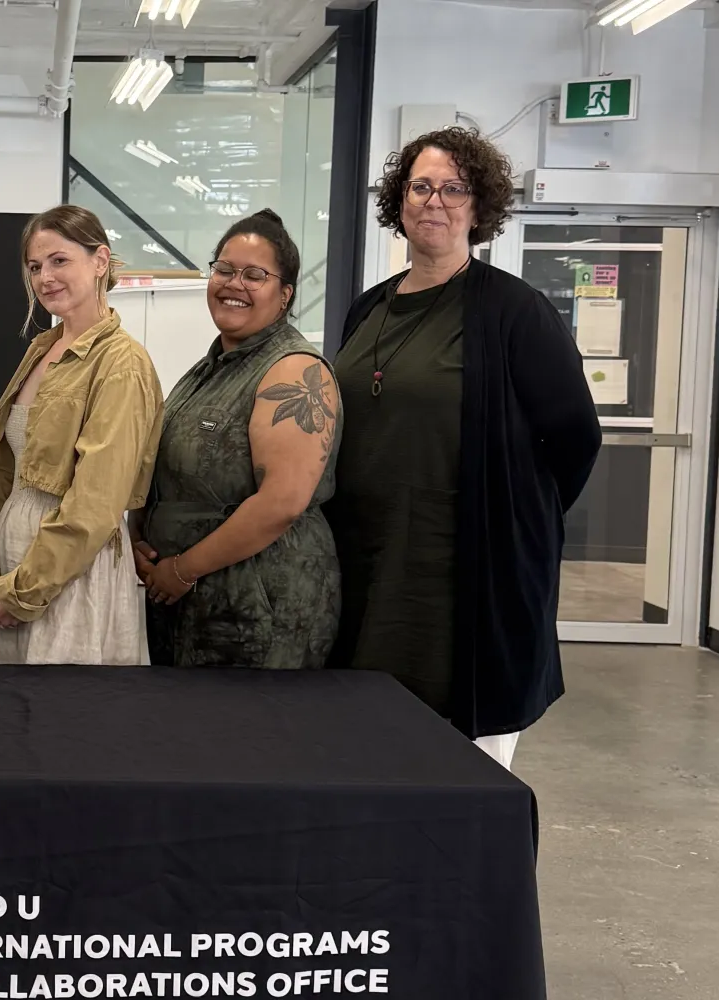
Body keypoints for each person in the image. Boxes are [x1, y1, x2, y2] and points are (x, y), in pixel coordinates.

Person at [326, 127, 602, 768]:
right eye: (421, 186)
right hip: (369, 561)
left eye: (455, 189)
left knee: (463, 762)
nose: (435, 201)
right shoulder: (368, 307)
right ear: (400, 199)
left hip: (463, 572)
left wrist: (516, 517)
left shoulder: (514, 311)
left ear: (479, 208)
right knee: (368, 740)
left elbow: (574, 437)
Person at [134, 210, 341, 669]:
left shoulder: (295, 369)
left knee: (249, 738)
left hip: (259, 611)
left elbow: (282, 502)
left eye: (254, 275)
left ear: (284, 294)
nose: (233, 283)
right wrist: (139, 536)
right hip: (187, 604)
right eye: (224, 269)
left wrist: (182, 570)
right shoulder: (210, 369)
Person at [0, 205, 163, 664]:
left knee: (64, 720)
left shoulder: (122, 364)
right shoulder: (41, 349)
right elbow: (4, 473)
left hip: (71, 573)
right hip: (16, 569)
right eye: (35, 267)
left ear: (99, 262)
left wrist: (22, 593)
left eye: (59, 261)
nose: (45, 278)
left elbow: (94, 504)